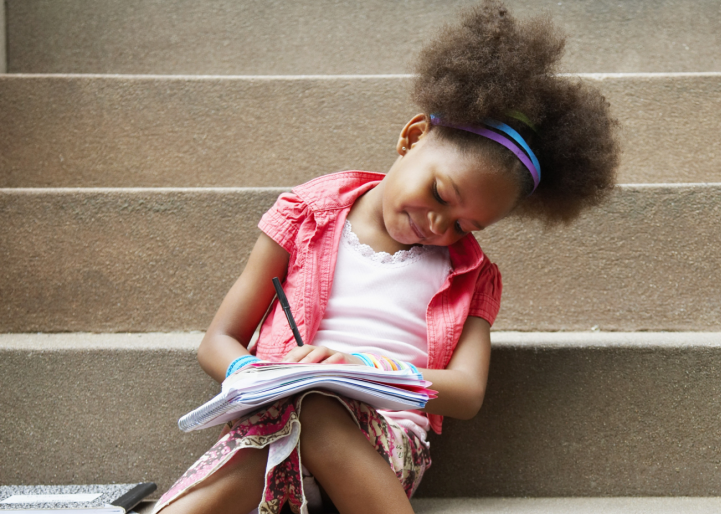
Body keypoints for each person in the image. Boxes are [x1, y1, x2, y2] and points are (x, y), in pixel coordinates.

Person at [153, 1, 619, 513]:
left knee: (317, 406)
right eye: (441, 194)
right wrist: (253, 374)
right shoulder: (307, 215)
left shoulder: (470, 274)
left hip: (382, 450)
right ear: (413, 137)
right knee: (284, 419)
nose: (441, 226)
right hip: (273, 428)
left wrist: (361, 370)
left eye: (466, 225)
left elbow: (466, 392)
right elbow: (217, 341)